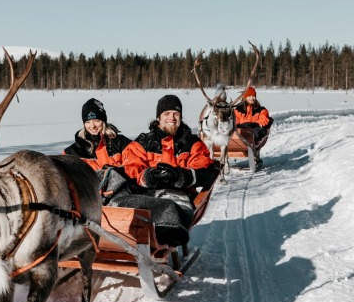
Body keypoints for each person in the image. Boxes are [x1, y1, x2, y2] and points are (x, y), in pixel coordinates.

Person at [113, 94, 219, 246]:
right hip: (145, 194)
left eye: (176, 114)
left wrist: (181, 176)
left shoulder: (192, 143)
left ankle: (157, 236)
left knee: (169, 211)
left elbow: (204, 170)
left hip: (178, 197)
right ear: (159, 117)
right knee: (120, 207)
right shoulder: (143, 143)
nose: (172, 118)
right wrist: (148, 176)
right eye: (167, 114)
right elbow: (131, 168)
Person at [64, 98, 132, 201]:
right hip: (89, 200)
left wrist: (117, 172)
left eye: (96, 120)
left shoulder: (122, 143)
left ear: (103, 121)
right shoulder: (73, 151)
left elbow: (136, 166)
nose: (92, 126)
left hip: (122, 196)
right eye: (87, 122)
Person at [233, 86, 272, 158]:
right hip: (242, 134)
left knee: (256, 131)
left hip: (255, 133)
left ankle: (252, 149)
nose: (252, 98)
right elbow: (235, 122)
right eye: (249, 96)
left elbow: (264, 120)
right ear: (245, 97)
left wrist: (251, 125)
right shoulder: (238, 110)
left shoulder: (261, 110)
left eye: (253, 96)